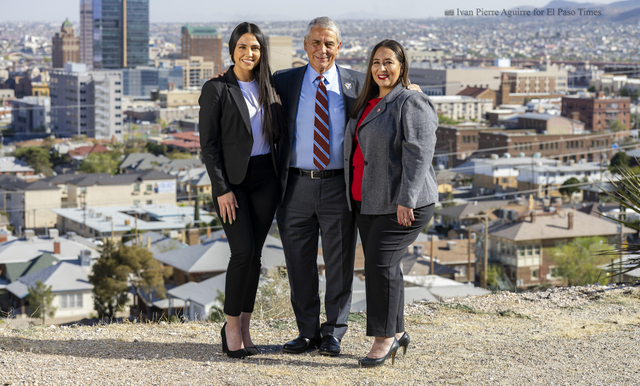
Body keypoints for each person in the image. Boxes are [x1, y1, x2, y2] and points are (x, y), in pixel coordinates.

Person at [272, 17, 365, 356]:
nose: (321, 50)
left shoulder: (358, 83)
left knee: (340, 264)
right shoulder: (284, 81)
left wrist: (411, 87)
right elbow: (246, 89)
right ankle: (307, 332)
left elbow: (389, 97)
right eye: (315, 42)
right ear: (305, 45)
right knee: (299, 264)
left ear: (339, 47)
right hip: (294, 186)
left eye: (329, 43)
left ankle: (334, 333)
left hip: (338, 188)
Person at [344, 39, 438, 367]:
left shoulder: (411, 101)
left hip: (402, 202)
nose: (381, 69)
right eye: (375, 63)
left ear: (402, 66)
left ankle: (383, 339)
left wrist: (406, 199)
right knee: (387, 267)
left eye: (389, 63)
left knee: (379, 265)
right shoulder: (367, 101)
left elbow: (420, 153)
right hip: (367, 200)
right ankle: (397, 333)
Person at [199, 22, 285, 359]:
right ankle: (230, 326)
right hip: (232, 185)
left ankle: (246, 326)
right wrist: (221, 189)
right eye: (243, 47)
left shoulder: (270, 87)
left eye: (255, 48)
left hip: (266, 179)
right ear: (232, 49)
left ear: (262, 51)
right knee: (242, 252)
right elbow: (209, 146)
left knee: (256, 257)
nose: (249, 54)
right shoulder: (216, 88)